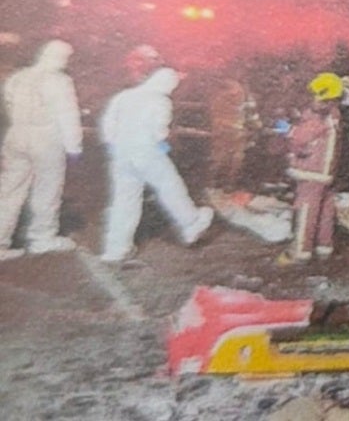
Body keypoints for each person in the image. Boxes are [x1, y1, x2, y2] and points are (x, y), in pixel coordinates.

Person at [100, 67, 214, 262]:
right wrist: (163, 145)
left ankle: (117, 248)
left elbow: (108, 124)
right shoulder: (160, 101)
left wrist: (115, 144)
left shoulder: (125, 95)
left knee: (125, 200)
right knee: (170, 187)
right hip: (147, 152)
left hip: (121, 155)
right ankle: (191, 223)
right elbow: (159, 132)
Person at [0, 40, 83, 260]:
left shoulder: (19, 77)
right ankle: (42, 237)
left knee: (9, 189)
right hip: (45, 137)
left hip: (16, 135)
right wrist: (74, 146)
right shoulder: (59, 81)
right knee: (47, 189)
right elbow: (67, 114)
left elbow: (7, 102)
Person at [277, 72, 345, 265]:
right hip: (327, 173)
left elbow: (300, 137)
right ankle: (324, 247)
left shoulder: (318, 118)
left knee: (306, 211)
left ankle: (300, 252)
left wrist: (286, 129)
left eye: (315, 95)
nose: (311, 100)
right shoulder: (335, 115)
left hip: (311, 172)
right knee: (325, 211)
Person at [207, 73, 260, 190]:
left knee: (219, 156)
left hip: (219, 129)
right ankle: (229, 184)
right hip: (236, 131)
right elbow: (251, 113)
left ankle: (211, 183)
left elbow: (213, 111)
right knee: (235, 158)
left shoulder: (217, 93)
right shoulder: (243, 93)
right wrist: (257, 126)